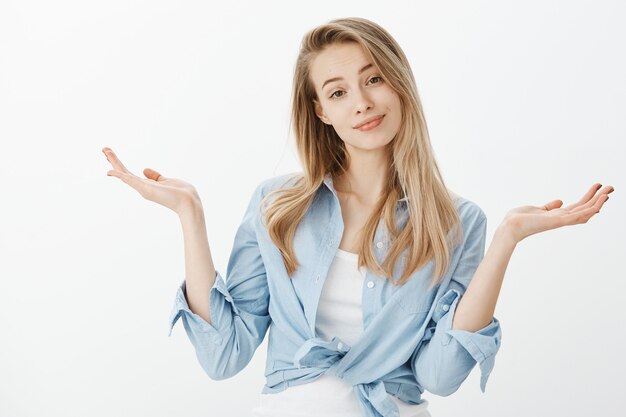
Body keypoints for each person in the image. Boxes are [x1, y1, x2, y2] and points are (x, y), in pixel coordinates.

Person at [102, 17, 614, 417]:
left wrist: (506, 240)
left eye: (373, 79)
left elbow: (440, 375)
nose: (363, 104)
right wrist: (190, 215)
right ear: (321, 110)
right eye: (338, 91)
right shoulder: (276, 206)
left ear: (399, 83)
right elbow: (224, 356)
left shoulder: (457, 221)